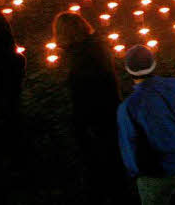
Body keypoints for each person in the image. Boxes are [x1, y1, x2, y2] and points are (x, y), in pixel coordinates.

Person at [52, 11, 125, 202]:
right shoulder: (94, 46)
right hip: (109, 109)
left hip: (95, 116)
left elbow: (84, 92)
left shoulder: (82, 57)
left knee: (100, 159)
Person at [118, 44, 175, 205]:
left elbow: (129, 148)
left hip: (156, 176)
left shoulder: (129, 108)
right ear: (154, 63)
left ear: (128, 70)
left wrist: (135, 174)